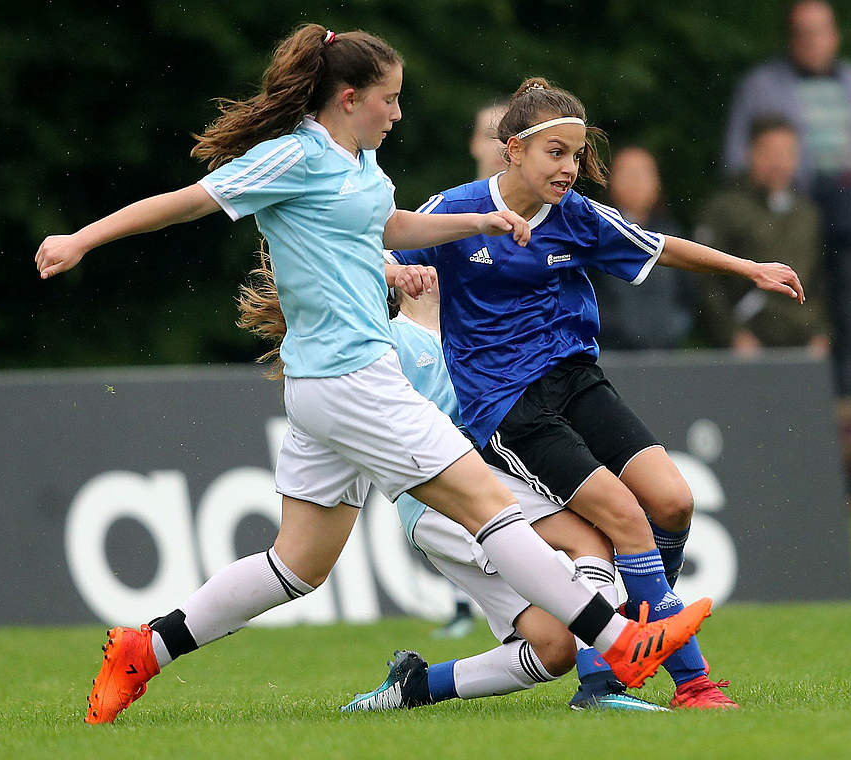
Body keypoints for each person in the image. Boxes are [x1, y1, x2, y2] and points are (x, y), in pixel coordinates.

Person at [34, 26, 710, 724]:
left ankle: (145, 648)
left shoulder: (361, 165)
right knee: (492, 506)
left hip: (328, 386)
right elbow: (192, 200)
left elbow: (387, 227)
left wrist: (478, 222)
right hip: (352, 379)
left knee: (296, 565)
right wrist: (83, 237)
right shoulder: (293, 156)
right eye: (389, 99)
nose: (397, 113)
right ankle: (622, 641)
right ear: (350, 97)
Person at [390, 77, 806, 708]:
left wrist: (748, 268)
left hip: (578, 380)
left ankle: (623, 648)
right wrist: (393, 268)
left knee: (674, 502)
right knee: (624, 520)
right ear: (512, 152)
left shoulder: (577, 216)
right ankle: (685, 684)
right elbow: (375, 243)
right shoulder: (454, 209)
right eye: (556, 152)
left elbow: (662, 247)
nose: (571, 167)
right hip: (508, 405)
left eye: (577, 154)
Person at [328, 283, 674, 711]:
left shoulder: (463, 329)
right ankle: (602, 687)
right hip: (444, 489)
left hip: (458, 490)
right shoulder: (391, 338)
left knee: (554, 649)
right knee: (589, 540)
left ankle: (414, 687)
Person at [722, 0, 851, 394]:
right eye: (803, 31)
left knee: (850, 307)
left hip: (850, 208)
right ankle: (788, 398)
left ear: (835, 36)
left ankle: (846, 401)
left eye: (820, 30)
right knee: (793, 291)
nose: (812, 40)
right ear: (790, 37)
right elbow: (737, 156)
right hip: (789, 208)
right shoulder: (762, 84)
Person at [434, 100, 510, 641]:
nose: (500, 145)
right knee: (455, 488)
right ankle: (465, 604)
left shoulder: (554, 213)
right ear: (474, 144)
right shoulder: (447, 212)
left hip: (513, 380)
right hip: (449, 371)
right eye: (491, 134)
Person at [698, 116, 829, 357]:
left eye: (787, 153)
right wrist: (732, 334)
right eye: (770, 153)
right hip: (748, 340)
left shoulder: (808, 212)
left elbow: (819, 280)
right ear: (751, 153)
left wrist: (821, 333)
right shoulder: (726, 208)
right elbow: (707, 281)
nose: (779, 162)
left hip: (804, 341)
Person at [587, 145, 697, 350]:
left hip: (666, 355)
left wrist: (675, 327)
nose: (636, 182)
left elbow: (687, 295)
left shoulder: (672, 234)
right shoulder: (594, 234)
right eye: (628, 174)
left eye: (643, 174)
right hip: (609, 353)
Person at [470, 100, 509, 180]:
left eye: (508, 136)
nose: (500, 146)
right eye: (491, 136)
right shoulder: (452, 193)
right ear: (474, 143)